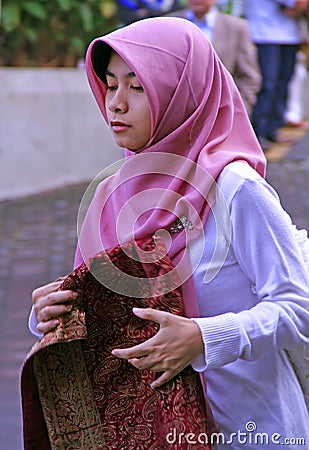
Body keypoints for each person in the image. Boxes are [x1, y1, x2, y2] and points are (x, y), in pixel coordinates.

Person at [27, 17, 309, 449]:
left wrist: (203, 338)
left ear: (182, 93)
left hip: (250, 428)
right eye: (110, 84)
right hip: (149, 434)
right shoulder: (110, 195)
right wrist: (49, 314)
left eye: (137, 87)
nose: (115, 103)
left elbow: (299, 308)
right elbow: (104, 317)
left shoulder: (235, 189)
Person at [171, 0, 261, 116]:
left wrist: (236, 113)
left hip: (222, 113)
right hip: (177, 116)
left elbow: (249, 77)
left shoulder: (236, 28)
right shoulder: (169, 24)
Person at [244, 0, 309, 150]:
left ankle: (272, 129)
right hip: (264, 36)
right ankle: (258, 133)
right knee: (267, 84)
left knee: (283, 83)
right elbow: (299, 3)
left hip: (290, 36)